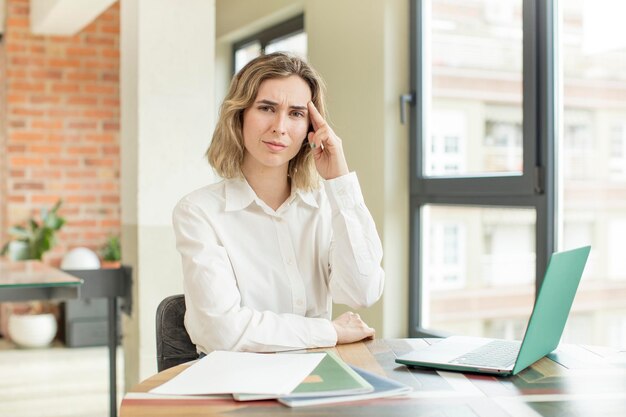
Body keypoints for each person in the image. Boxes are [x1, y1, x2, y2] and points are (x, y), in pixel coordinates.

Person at [172, 52, 384, 354]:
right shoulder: (199, 212)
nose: (280, 127)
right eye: (267, 108)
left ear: (311, 128)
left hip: (316, 379)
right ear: (240, 114)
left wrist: (340, 181)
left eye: (296, 113)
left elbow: (363, 291)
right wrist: (330, 331)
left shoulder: (324, 206)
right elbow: (222, 332)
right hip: (235, 384)